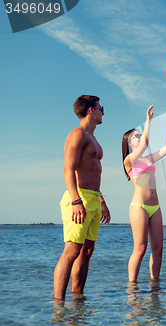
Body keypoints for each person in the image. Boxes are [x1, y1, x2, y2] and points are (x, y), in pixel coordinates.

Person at [54, 95, 111, 301]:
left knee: (87, 251)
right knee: (72, 250)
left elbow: (95, 172)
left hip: (94, 199)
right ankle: (58, 305)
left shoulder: (93, 139)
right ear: (90, 110)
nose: (102, 112)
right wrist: (76, 201)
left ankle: (77, 298)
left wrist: (102, 201)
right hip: (79, 198)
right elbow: (68, 170)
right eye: (100, 107)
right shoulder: (76, 135)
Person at [122, 105, 166, 282]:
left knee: (158, 248)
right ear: (130, 143)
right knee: (140, 248)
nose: (141, 138)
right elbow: (145, 143)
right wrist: (149, 121)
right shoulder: (129, 160)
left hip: (156, 207)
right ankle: (132, 287)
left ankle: (155, 286)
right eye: (136, 136)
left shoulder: (148, 158)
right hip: (139, 207)